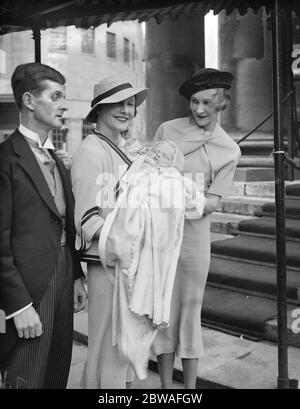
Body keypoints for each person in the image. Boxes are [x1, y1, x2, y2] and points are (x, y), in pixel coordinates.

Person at [151, 68, 241, 389]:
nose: (199, 109)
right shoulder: (167, 129)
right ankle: (164, 387)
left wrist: (177, 195)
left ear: (221, 104)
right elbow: (147, 173)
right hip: (161, 236)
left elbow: (212, 203)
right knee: (161, 311)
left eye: (206, 102)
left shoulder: (229, 149)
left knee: (189, 313)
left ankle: (189, 391)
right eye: (194, 101)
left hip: (193, 241)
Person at [0, 62, 87, 389]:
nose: (64, 104)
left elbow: (64, 223)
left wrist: (76, 275)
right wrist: (17, 305)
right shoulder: (5, 159)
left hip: (64, 271)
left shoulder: (56, 158)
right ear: (29, 101)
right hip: (28, 285)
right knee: (26, 376)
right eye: (56, 96)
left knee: (56, 370)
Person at [97, 139, 206, 381]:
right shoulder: (139, 174)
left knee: (154, 295)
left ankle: (138, 347)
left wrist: (174, 184)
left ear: (173, 162)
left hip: (163, 243)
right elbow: (124, 189)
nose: (157, 157)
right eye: (155, 152)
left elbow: (197, 204)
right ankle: (133, 348)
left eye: (164, 155)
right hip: (139, 242)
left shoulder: (175, 179)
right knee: (134, 291)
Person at [71, 75, 148, 389]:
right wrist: (125, 246)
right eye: (116, 103)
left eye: (130, 103)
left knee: (124, 347)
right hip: (109, 263)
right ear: (98, 111)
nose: (125, 110)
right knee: (109, 345)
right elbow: (87, 217)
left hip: (125, 263)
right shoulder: (92, 150)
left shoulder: (116, 148)